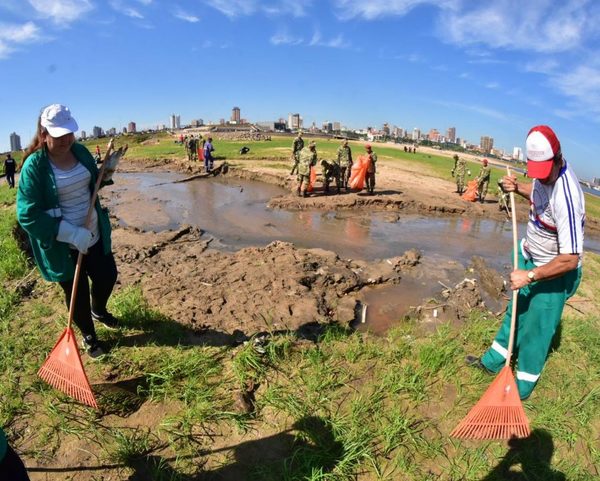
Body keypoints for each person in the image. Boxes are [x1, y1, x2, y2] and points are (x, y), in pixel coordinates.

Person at [467, 125, 585, 400]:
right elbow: (538, 194)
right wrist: (517, 188)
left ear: (558, 158)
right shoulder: (543, 178)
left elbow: (569, 259)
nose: (541, 179)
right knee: (516, 312)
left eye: (545, 173)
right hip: (530, 256)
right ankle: (494, 361)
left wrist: (530, 276)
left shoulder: (567, 198)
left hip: (554, 271)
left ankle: (521, 386)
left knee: (537, 327)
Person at [16, 104, 119, 359]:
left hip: (93, 233)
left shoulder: (81, 152)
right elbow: (27, 214)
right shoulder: (34, 167)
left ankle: (100, 310)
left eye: (69, 133)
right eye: (59, 134)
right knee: (77, 292)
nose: (66, 139)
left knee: (107, 275)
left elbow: (93, 184)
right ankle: (89, 335)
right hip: (64, 245)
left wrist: (105, 174)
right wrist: (70, 233)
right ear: (43, 134)